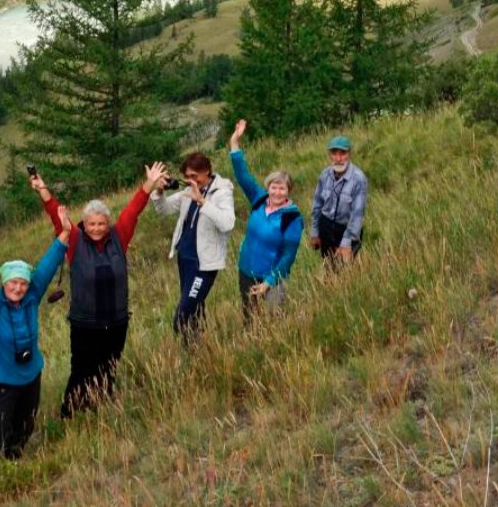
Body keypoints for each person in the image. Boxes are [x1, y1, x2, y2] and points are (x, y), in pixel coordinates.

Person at [30, 161, 169, 415]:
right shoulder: (74, 241)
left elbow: (134, 209)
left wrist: (149, 184)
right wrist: (43, 190)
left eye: (101, 224)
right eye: (91, 224)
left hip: (116, 322)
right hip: (85, 324)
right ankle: (70, 414)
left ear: (108, 223)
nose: (96, 229)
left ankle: (98, 409)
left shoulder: (120, 236)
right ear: (84, 224)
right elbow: (55, 214)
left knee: (109, 368)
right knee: (82, 370)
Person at [0, 208, 69, 461]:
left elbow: (46, 266)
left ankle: (13, 467)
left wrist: (65, 234)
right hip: (2, 382)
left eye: (23, 282)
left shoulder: (32, 296)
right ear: (4, 282)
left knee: (23, 430)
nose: (18, 288)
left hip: (30, 376)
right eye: (13, 282)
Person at [151, 149, 236, 341]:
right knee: (195, 308)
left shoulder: (221, 192)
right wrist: (159, 191)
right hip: (185, 258)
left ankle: (193, 342)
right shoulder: (187, 191)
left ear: (207, 171)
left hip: (204, 264)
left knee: (183, 314)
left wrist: (203, 201)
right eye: (187, 176)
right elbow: (163, 210)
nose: (191, 180)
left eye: (194, 176)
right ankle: (197, 350)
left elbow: (228, 223)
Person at [225, 119, 304, 320]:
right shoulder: (259, 199)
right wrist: (235, 143)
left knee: (274, 319)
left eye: (282, 188)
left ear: (288, 191)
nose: (277, 192)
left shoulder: (292, 218)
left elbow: (288, 257)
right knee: (249, 317)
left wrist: (268, 282)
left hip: (272, 277)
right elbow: (243, 176)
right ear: (267, 188)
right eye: (273, 187)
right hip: (246, 270)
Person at [310, 134, 368, 268]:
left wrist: (346, 243)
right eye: (334, 154)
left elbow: (357, 215)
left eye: (343, 153)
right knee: (328, 268)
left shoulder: (358, 179)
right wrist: (315, 232)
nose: (338, 158)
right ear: (329, 155)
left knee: (344, 271)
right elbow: (317, 205)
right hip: (326, 226)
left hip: (346, 229)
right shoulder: (325, 175)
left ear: (349, 154)